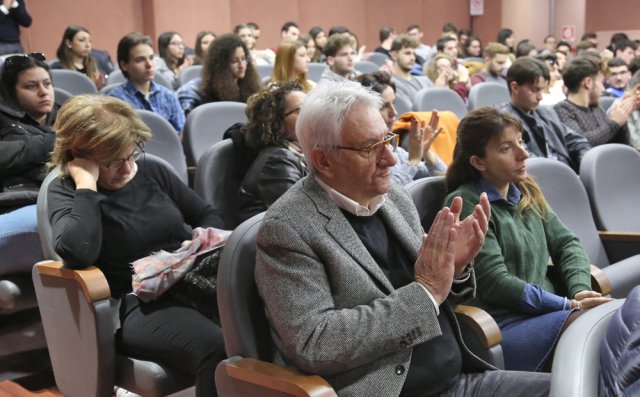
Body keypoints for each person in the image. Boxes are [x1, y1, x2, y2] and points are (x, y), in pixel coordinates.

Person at [255, 80, 551, 396]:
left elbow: (439, 295)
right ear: (323, 160)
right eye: (371, 148)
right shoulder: (289, 228)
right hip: (389, 390)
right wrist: (426, 292)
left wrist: (455, 270)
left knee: (582, 386)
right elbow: (315, 343)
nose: (391, 159)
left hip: (459, 379)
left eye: (389, 140)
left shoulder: (394, 197)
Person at [47, 95, 226, 397]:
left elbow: (208, 215)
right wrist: (87, 186)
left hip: (191, 281)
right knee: (217, 348)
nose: (128, 167)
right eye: (115, 161)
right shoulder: (66, 191)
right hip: (136, 305)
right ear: (79, 154)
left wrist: (199, 239)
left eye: (132, 153)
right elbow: (78, 252)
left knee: (264, 320)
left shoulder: (151, 171)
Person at [444, 107, 612, 371]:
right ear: (478, 162)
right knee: (600, 329)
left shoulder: (525, 190)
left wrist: (579, 288)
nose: (524, 153)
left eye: (521, 142)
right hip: (502, 326)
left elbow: (567, 244)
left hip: (550, 311)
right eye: (506, 148)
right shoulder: (467, 203)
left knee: (619, 319)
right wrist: (569, 304)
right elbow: (496, 283)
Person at [0, 52, 55, 275]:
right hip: (21, 202)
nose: (43, 92)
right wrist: (58, 139)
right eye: (31, 86)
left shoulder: (66, 113)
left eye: (47, 84)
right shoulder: (5, 125)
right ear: (10, 93)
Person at [498, 57, 591, 172]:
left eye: (541, 90)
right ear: (515, 87)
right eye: (534, 90)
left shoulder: (546, 112)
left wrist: (585, 163)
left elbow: (577, 141)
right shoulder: (504, 122)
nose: (540, 97)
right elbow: (527, 161)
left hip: (567, 174)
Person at [355, 71, 447, 185]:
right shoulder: (361, 153)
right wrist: (413, 162)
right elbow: (390, 195)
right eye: (384, 106)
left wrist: (426, 152)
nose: (394, 112)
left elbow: (444, 179)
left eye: (393, 103)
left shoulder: (396, 150)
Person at [237, 82, 307, 223]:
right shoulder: (278, 160)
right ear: (278, 123)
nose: (311, 114)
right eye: (301, 110)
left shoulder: (308, 153)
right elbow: (300, 221)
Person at [109, 32, 185, 133]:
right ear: (124, 65)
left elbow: (182, 134)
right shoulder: (116, 100)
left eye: (151, 58)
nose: (149, 64)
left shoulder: (168, 96)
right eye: (140, 60)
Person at [554, 54, 635, 146]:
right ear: (588, 83)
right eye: (601, 82)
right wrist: (615, 123)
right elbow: (581, 142)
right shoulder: (562, 110)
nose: (603, 89)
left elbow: (618, 144)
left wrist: (622, 119)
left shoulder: (596, 108)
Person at [176, 33, 261, 115]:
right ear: (221, 65)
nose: (241, 65)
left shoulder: (249, 87)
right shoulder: (209, 93)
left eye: (243, 59)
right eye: (234, 61)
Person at [51, 25, 105, 89]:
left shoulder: (94, 65)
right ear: (69, 43)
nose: (88, 45)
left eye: (90, 41)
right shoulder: (59, 68)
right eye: (82, 40)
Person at [389, 35, 433, 105]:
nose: (412, 58)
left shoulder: (425, 80)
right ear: (394, 55)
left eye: (414, 54)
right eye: (407, 53)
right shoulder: (392, 84)